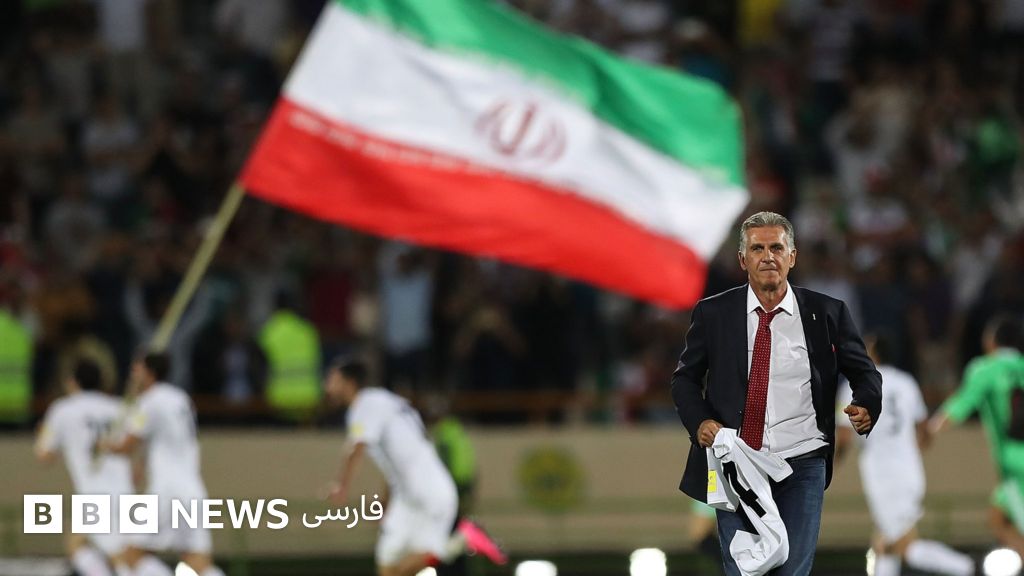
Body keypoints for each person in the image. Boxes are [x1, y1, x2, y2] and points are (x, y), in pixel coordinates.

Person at [670, 211, 883, 576]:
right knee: (744, 571)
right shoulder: (714, 313)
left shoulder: (826, 312)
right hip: (737, 461)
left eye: (776, 248)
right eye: (757, 249)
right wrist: (700, 421)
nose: (768, 256)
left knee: (792, 570)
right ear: (743, 259)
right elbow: (684, 380)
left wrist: (866, 402)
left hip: (803, 461)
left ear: (792, 256)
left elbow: (864, 372)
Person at [322, 357, 506, 576]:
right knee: (389, 570)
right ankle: (459, 540)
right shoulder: (385, 402)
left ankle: (463, 538)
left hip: (428, 492)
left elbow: (356, 448)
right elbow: (394, 461)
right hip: (406, 497)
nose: (327, 386)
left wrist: (341, 486)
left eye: (333, 380)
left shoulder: (365, 405)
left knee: (417, 561)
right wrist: (386, 501)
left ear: (349, 383)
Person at [836, 334, 974, 576]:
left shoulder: (856, 383)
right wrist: (906, 452)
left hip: (883, 475)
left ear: (873, 353)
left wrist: (828, 465)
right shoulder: (907, 382)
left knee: (904, 546)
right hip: (909, 471)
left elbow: (845, 437)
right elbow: (925, 433)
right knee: (884, 543)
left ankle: (967, 568)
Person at [106, 352, 225, 576]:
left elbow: (126, 445)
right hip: (192, 488)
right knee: (198, 562)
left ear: (149, 373)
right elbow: (162, 437)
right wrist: (141, 464)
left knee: (130, 556)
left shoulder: (149, 402)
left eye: (137, 370)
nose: (133, 376)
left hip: (166, 491)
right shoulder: (180, 398)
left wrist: (103, 444)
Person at [35, 359, 143, 576]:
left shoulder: (63, 410)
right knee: (79, 543)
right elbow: (135, 446)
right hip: (124, 491)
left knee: (117, 557)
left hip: (95, 493)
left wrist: (43, 435)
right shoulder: (118, 408)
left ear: (72, 382)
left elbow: (44, 455)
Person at [930, 314, 1024, 555]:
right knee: (997, 519)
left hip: (1015, 466)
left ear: (992, 341)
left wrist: (931, 428)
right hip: (1013, 469)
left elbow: (963, 403)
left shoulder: (985, 369)